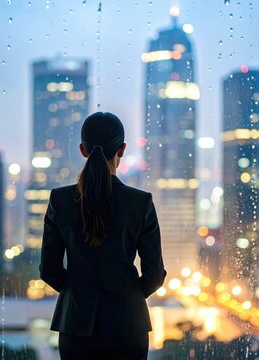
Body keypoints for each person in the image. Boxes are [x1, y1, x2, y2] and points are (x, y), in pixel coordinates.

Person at [39, 112, 166, 360]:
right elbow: (154, 275)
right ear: (122, 149)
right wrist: (128, 297)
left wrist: (78, 294)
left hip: (76, 328)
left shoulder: (60, 200)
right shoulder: (140, 202)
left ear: (83, 150)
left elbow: (49, 270)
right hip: (128, 329)